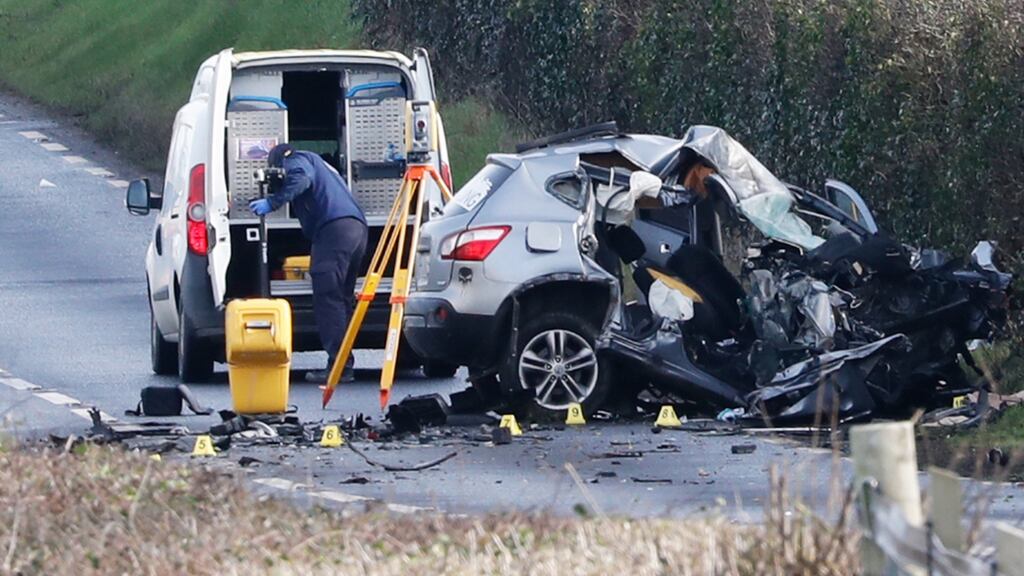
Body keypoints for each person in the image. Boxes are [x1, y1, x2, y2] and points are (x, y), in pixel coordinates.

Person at [250, 144, 367, 383]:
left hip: (334, 230)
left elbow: (302, 178)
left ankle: (339, 367)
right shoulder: (323, 166)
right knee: (342, 299)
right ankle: (344, 362)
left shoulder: (296, 159)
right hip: (356, 229)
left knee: (328, 297)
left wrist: (273, 202)